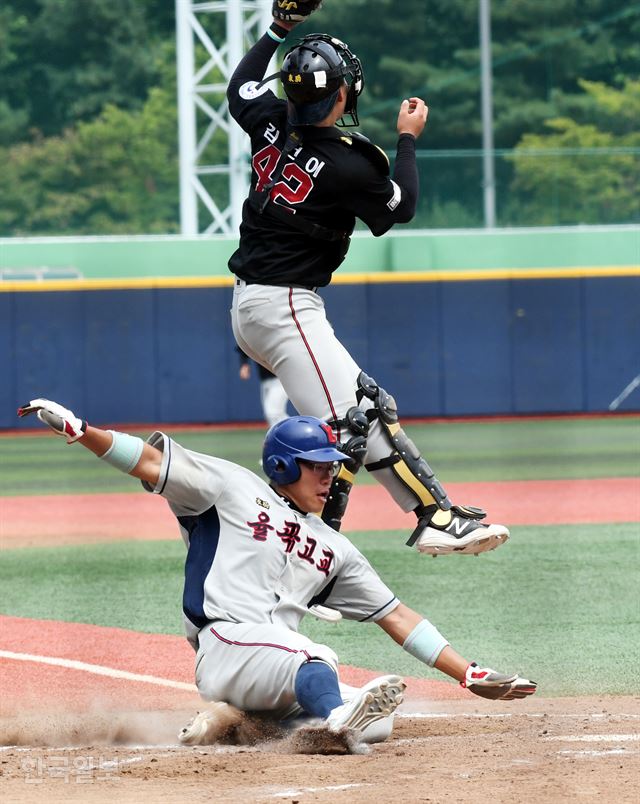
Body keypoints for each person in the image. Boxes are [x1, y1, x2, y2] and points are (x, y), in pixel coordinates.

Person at [17, 398, 537, 751]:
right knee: (318, 658)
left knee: (378, 717)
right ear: (284, 467)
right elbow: (151, 464)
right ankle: (331, 723)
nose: (330, 474)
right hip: (225, 644)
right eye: (317, 465)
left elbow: (397, 616)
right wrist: (82, 432)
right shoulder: (232, 488)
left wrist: (466, 673)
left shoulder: (335, 548)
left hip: (273, 667)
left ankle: (241, 726)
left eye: (332, 466)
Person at [227, 1, 509, 557]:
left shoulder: (269, 121)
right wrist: (407, 139)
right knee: (355, 419)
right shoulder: (351, 162)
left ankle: (391, 527)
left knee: (363, 411)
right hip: (284, 305)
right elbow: (399, 208)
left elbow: (240, 87)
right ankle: (340, 549)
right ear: (341, 96)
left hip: (257, 304)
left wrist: (279, 28)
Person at [236, 344, 290, 428]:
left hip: (280, 379)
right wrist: (244, 364)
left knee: (273, 413)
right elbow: (242, 346)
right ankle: (277, 438)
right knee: (270, 414)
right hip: (265, 380)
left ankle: (293, 434)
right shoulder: (252, 334)